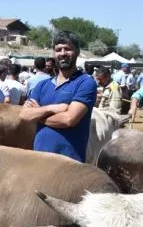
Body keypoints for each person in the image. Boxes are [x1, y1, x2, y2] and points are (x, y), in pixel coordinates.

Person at [20, 31, 97, 162]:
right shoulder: (42, 85)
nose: (62, 53)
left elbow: (68, 119)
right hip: (39, 160)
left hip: (69, 163)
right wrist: (50, 108)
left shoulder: (85, 83)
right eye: (58, 50)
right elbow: (24, 115)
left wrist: (37, 114)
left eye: (67, 49)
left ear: (77, 51)